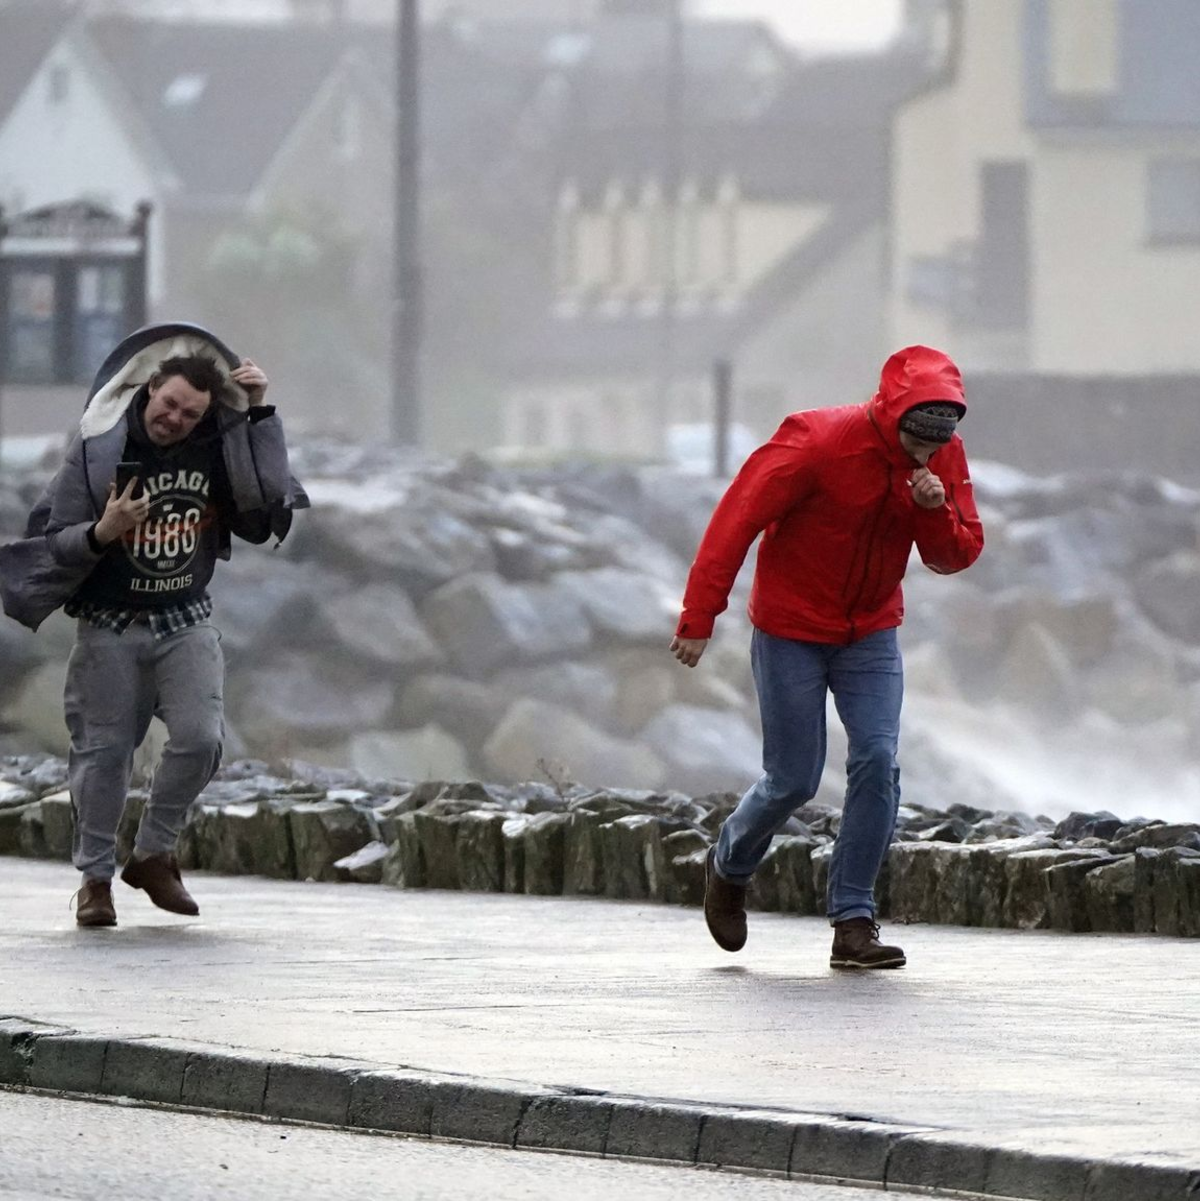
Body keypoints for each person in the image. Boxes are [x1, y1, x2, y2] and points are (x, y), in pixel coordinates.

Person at [669, 345, 983, 969]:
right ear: (894, 414)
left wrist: (933, 510)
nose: (927, 454)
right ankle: (728, 866)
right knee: (794, 778)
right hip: (791, 629)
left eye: (937, 444)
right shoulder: (815, 441)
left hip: (870, 633)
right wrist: (700, 616)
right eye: (916, 441)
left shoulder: (941, 454)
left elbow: (955, 555)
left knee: (877, 758)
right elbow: (736, 520)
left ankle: (853, 922)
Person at [0, 323, 305, 928]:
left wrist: (259, 409)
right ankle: (94, 882)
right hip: (108, 628)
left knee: (201, 740)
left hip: (185, 621)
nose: (175, 419)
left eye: (190, 413)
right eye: (168, 404)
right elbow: (54, 542)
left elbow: (267, 501)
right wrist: (102, 531)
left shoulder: (217, 445)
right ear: (147, 390)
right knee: (103, 756)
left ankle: (154, 853)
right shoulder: (97, 449)